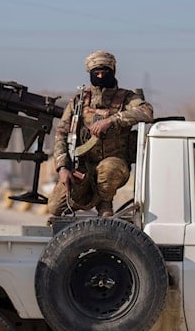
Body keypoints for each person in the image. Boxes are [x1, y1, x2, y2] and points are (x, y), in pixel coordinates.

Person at [48, 50, 153, 217]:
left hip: (116, 163)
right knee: (55, 207)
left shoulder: (126, 98)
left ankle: (105, 205)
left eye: (105, 72)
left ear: (113, 71)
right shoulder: (79, 101)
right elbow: (61, 134)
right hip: (83, 166)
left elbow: (146, 112)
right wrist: (62, 167)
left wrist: (112, 120)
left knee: (107, 170)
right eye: (96, 72)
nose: (100, 76)